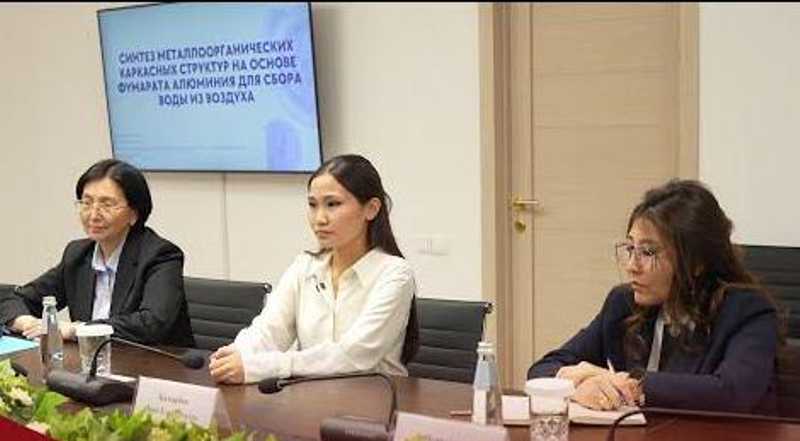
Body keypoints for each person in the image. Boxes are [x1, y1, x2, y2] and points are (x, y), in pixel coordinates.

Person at [527, 179, 780, 414]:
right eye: (630, 248)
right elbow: (543, 368)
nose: (631, 266)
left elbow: (732, 392)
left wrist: (629, 384)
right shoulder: (623, 303)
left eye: (648, 252)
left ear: (696, 262)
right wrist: (577, 383)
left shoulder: (746, 310)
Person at [209, 154, 418, 384]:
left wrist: (261, 367)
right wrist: (237, 354)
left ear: (371, 209)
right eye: (312, 205)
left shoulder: (395, 274)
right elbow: (269, 330)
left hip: (377, 398)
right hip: (310, 395)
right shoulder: (305, 266)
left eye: (333, 204)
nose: (320, 218)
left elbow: (353, 355)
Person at [0, 159, 194, 347]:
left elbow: (151, 323)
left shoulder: (160, 256)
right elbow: (16, 299)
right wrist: (27, 323)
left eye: (107, 205)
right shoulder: (78, 254)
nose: (93, 215)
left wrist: (76, 330)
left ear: (134, 213)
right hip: (90, 361)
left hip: (152, 363)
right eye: (86, 203)